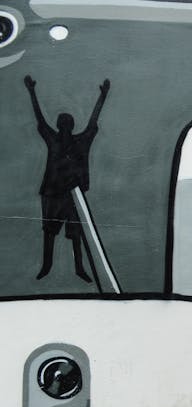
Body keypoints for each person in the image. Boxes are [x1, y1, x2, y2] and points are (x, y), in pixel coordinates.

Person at [24, 74, 110, 282]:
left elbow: (92, 121)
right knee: (49, 231)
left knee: (76, 232)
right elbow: (40, 119)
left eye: (66, 122)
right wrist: (31, 91)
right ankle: (47, 265)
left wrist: (103, 96)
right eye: (62, 122)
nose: (64, 125)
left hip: (72, 193)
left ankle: (79, 268)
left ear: (69, 125)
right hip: (52, 193)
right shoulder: (53, 140)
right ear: (60, 125)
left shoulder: (80, 142)